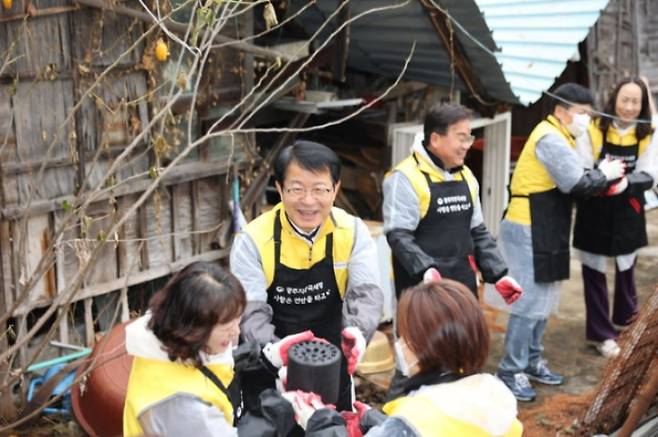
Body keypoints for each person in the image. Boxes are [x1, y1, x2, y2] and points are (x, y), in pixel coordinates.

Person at [230, 140, 384, 412]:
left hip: (331, 365)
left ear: (335, 189)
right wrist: (278, 356)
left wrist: (357, 334)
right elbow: (251, 312)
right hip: (268, 368)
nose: (309, 201)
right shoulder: (252, 240)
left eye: (320, 189)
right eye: (297, 189)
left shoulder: (353, 232)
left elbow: (366, 294)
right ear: (279, 188)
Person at [496, 83, 626, 402]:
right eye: (582, 113)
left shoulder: (564, 136)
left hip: (548, 224)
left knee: (546, 296)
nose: (586, 120)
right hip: (528, 224)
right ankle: (510, 370)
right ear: (561, 111)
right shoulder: (550, 137)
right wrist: (604, 174)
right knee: (527, 302)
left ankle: (532, 360)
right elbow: (575, 182)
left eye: (588, 115)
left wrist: (600, 176)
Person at [281, 279, 524, 437]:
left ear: (422, 346)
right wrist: (374, 421)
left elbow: (411, 426)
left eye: (404, 337)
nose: (399, 345)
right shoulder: (493, 394)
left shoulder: (415, 418)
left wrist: (318, 422)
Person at [123, 261, 312, 437]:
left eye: (238, 320)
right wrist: (283, 407)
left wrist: (266, 358)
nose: (236, 332)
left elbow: (208, 373)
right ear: (193, 328)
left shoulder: (170, 341)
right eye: (226, 327)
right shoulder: (180, 407)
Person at [382, 102, 523, 301]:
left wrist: (499, 274)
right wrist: (426, 270)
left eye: (469, 138)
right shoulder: (404, 177)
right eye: (461, 138)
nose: (467, 145)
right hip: (422, 287)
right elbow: (398, 234)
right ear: (435, 139)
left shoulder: (466, 176)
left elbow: (478, 232)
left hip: (462, 283)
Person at [573, 77, 658, 358]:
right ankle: (600, 334)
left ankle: (626, 324)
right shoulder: (595, 127)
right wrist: (601, 180)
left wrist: (627, 182)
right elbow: (583, 165)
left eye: (636, 102)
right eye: (625, 100)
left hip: (628, 208)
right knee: (593, 270)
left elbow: (651, 171)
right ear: (614, 100)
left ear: (643, 105)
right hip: (594, 208)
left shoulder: (648, 132)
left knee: (626, 269)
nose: (630, 107)